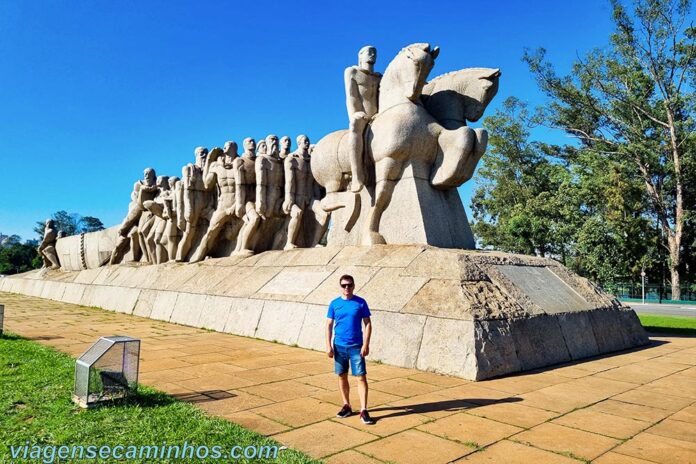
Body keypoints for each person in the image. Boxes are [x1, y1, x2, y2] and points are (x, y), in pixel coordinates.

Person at [326, 274, 375, 424]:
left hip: (356, 347)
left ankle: (363, 410)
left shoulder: (360, 303)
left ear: (354, 286)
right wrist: (328, 345)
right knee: (342, 375)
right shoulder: (334, 304)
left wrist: (366, 344)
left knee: (361, 377)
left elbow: (367, 324)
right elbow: (328, 325)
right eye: (344, 285)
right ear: (340, 287)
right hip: (339, 346)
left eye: (349, 285)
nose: (347, 288)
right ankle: (346, 405)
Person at [344, 45, 381, 193]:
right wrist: (354, 113)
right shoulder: (352, 72)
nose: (372, 55)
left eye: (374, 53)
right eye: (369, 52)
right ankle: (357, 174)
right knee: (355, 126)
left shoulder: (379, 77)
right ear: (360, 56)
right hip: (361, 114)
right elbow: (351, 96)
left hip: (378, 114)